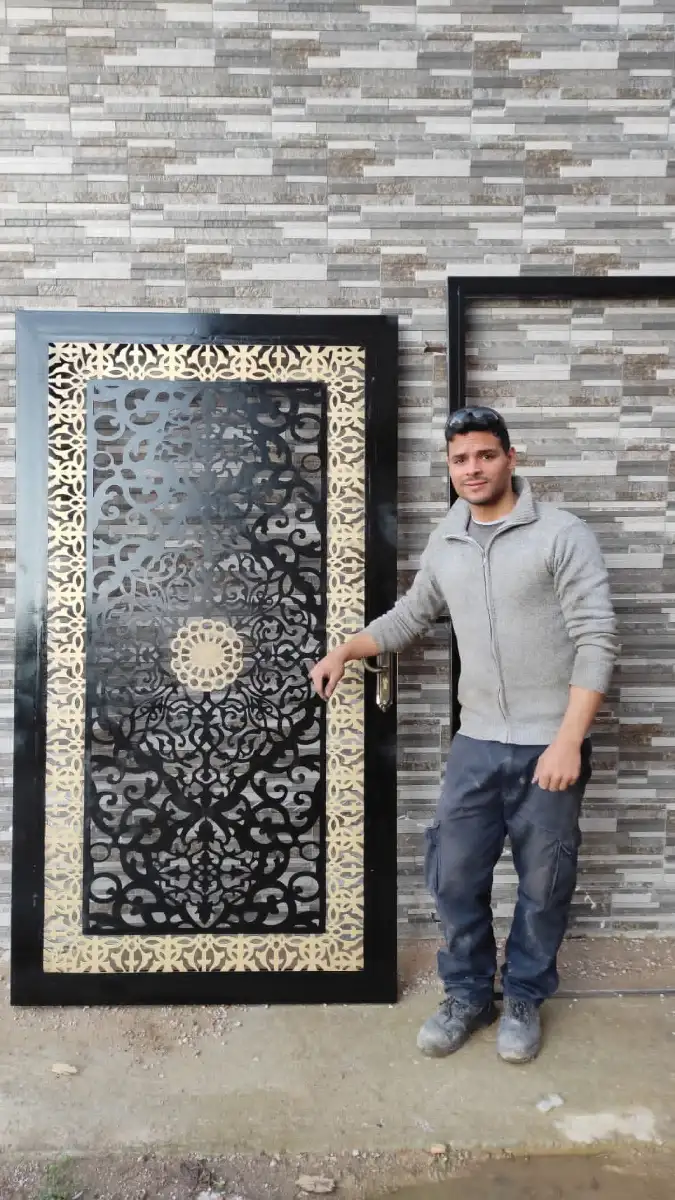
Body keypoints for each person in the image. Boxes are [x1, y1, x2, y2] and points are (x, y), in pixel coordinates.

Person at [310, 406, 617, 1064]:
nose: (472, 469)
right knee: (452, 876)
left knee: (543, 883)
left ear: (510, 458)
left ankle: (524, 997)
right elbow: (410, 615)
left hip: (548, 742)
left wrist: (568, 740)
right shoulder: (447, 540)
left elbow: (596, 640)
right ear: (449, 468)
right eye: (459, 459)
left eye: (484, 455)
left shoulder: (561, 535)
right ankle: (469, 995)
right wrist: (346, 650)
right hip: (475, 741)